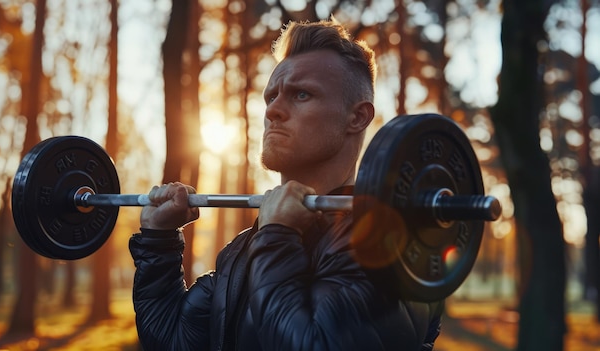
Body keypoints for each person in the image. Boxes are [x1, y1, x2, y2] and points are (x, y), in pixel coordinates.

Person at [129, 18, 444, 350]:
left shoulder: (388, 248)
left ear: (357, 117)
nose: (273, 111)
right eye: (271, 97)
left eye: (301, 94)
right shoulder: (246, 248)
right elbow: (173, 340)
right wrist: (159, 242)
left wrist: (278, 237)